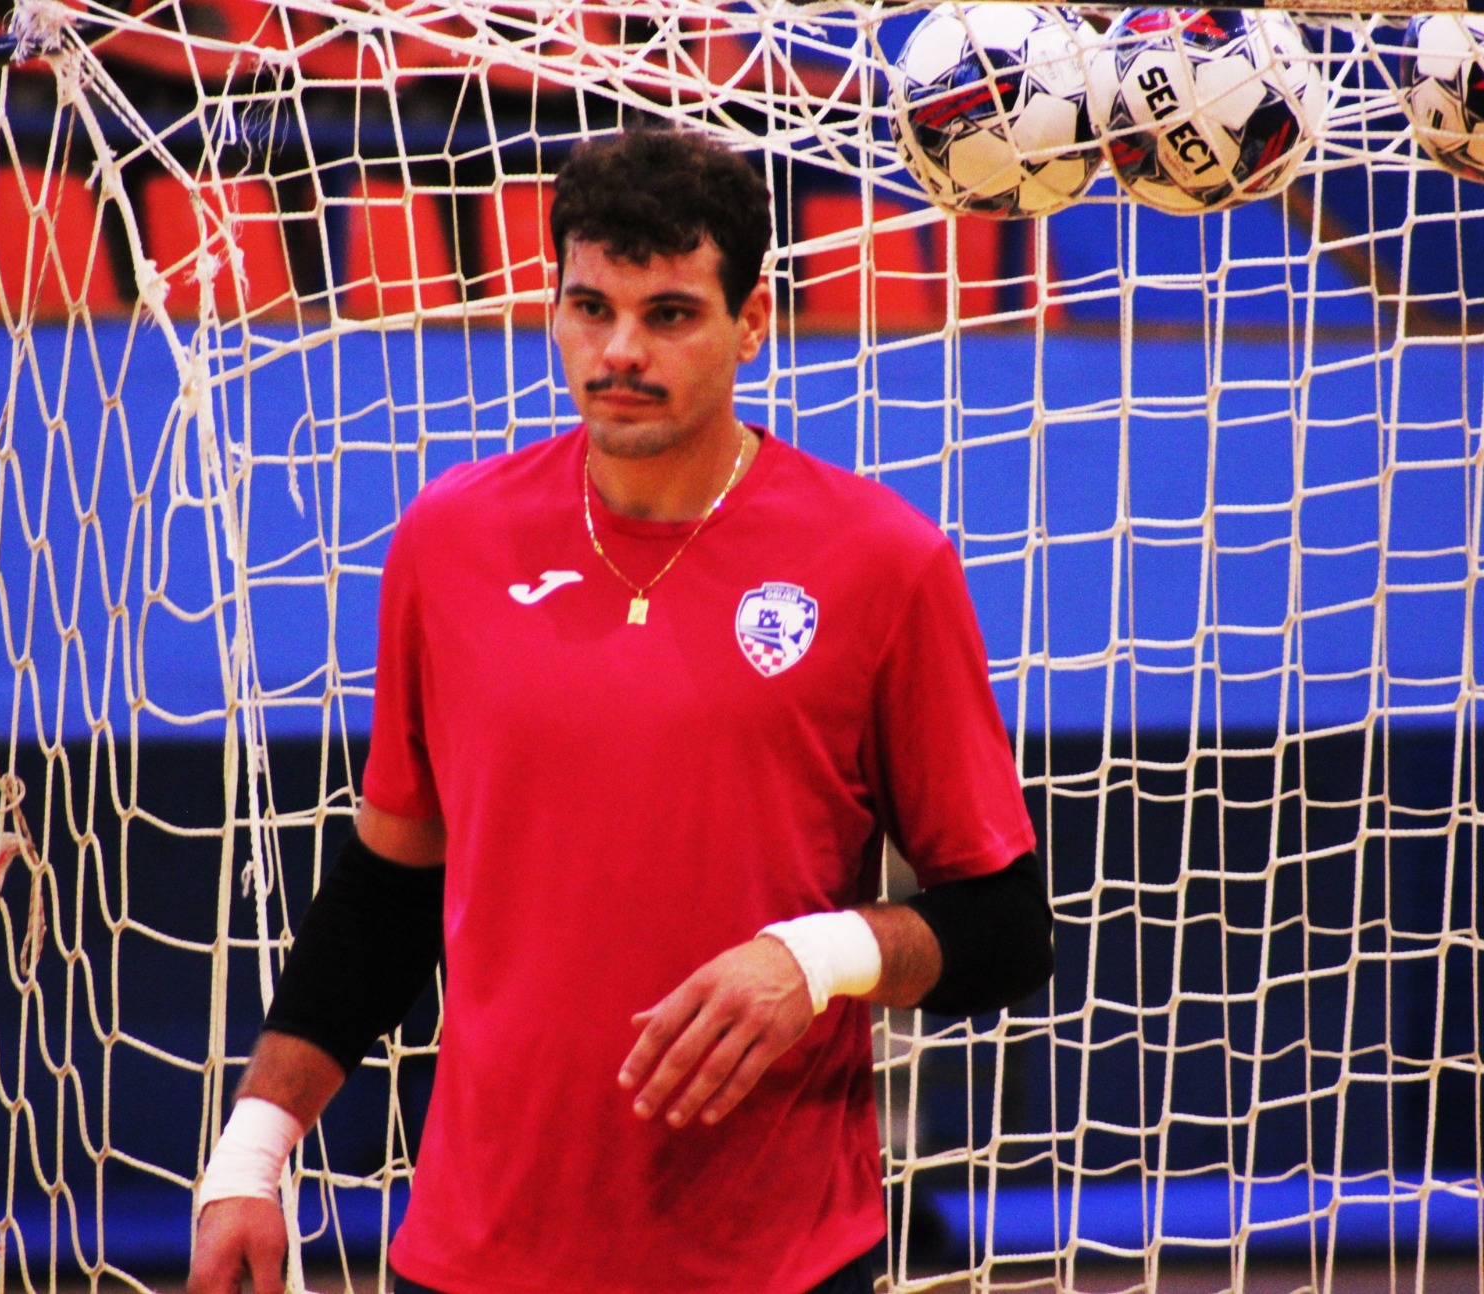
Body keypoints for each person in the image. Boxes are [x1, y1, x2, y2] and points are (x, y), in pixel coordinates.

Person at [186, 128, 1052, 1294]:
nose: (621, 350)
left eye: (671, 314)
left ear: (751, 322)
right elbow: (389, 889)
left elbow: (1008, 930)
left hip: (774, 1262)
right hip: (475, 1255)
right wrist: (253, 1148)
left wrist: (814, 956)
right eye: (590, 308)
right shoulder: (449, 540)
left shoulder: (882, 563)